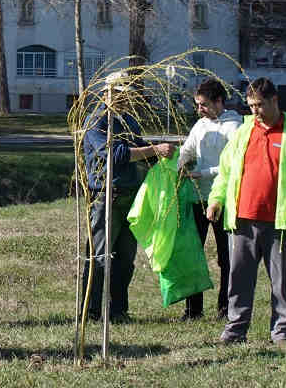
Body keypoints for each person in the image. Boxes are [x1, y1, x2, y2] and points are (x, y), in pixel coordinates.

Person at [207, 77, 286, 344]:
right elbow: (226, 172)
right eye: (250, 105)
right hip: (242, 220)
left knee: (281, 282)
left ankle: (282, 332)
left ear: (274, 101)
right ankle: (235, 329)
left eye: (259, 105)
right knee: (238, 280)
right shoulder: (243, 132)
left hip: (279, 223)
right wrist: (216, 199)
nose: (254, 111)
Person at [80, 103, 175, 321]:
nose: (125, 99)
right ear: (107, 94)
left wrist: (163, 155)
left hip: (131, 196)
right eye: (120, 93)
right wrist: (154, 150)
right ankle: (92, 312)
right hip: (106, 196)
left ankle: (118, 311)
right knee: (100, 257)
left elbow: (140, 147)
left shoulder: (128, 120)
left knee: (125, 258)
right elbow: (114, 155)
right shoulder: (96, 121)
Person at [177, 78, 242, 320]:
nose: (199, 109)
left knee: (227, 257)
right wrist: (176, 165)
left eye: (203, 104)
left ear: (218, 101)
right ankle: (193, 310)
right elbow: (187, 150)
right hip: (198, 198)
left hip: (224, 200)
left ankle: (226, 309)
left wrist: (202, 173)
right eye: (197, 105)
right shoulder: (200, 125)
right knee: (194, 254)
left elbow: (232, 166)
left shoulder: (234, 126)